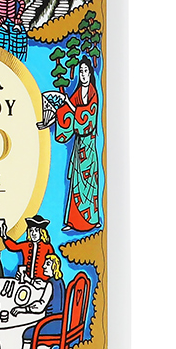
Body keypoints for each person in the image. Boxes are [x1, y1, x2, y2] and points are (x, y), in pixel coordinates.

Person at [55, 57, 100, 231]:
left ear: (90, 73)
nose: (83, 74)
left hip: (88, 144)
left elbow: (87, 116)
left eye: (85, 71)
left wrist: (69, 105)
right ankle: (72, 222)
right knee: (76, 182)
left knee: (89, 183)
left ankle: (92, 220)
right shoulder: (78, 91)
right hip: (79, 143)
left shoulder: (93, 93)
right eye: (80, 71)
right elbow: (67, 111)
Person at [16, 254, 66, 349]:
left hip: (51, 323)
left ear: (54, 267)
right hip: (62, 322)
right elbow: (42, 285)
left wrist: (23, 309)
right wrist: (28, 280)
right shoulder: (59, 281)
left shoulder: (50, 285)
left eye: (47, 264)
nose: (43, 266)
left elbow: (39, 307)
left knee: (27, 333)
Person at [0, 215, 54, 281]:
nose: (33, 233)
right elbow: (13, 247)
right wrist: (4, 236)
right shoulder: (26, 245)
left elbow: (52, 262)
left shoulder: (47, 247)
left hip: (42, 281)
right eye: (31, 231)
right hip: (26, 279)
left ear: (42, 232)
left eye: (36, 230)